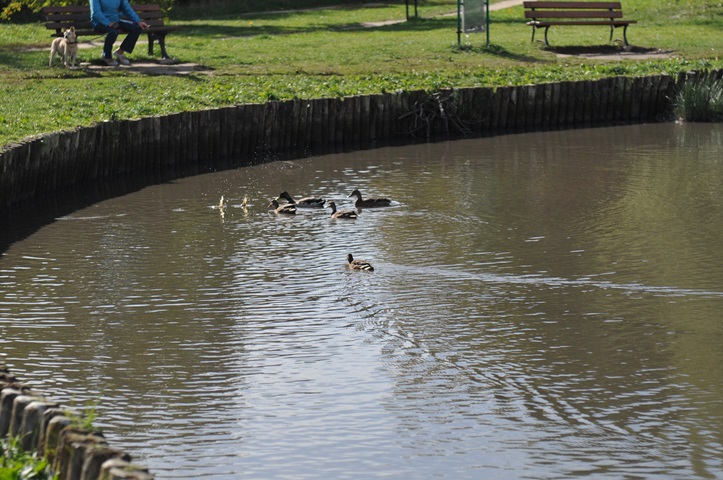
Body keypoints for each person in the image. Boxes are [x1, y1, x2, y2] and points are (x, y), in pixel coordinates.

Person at [90, 0, 150, 66]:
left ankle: (120, 52)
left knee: (137, 28)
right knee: (113, 32)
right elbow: (96, 13)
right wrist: (108, 23)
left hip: (115, 21)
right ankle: (106, 56)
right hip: (99, 22)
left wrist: (138, 21)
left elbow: (127, 9)